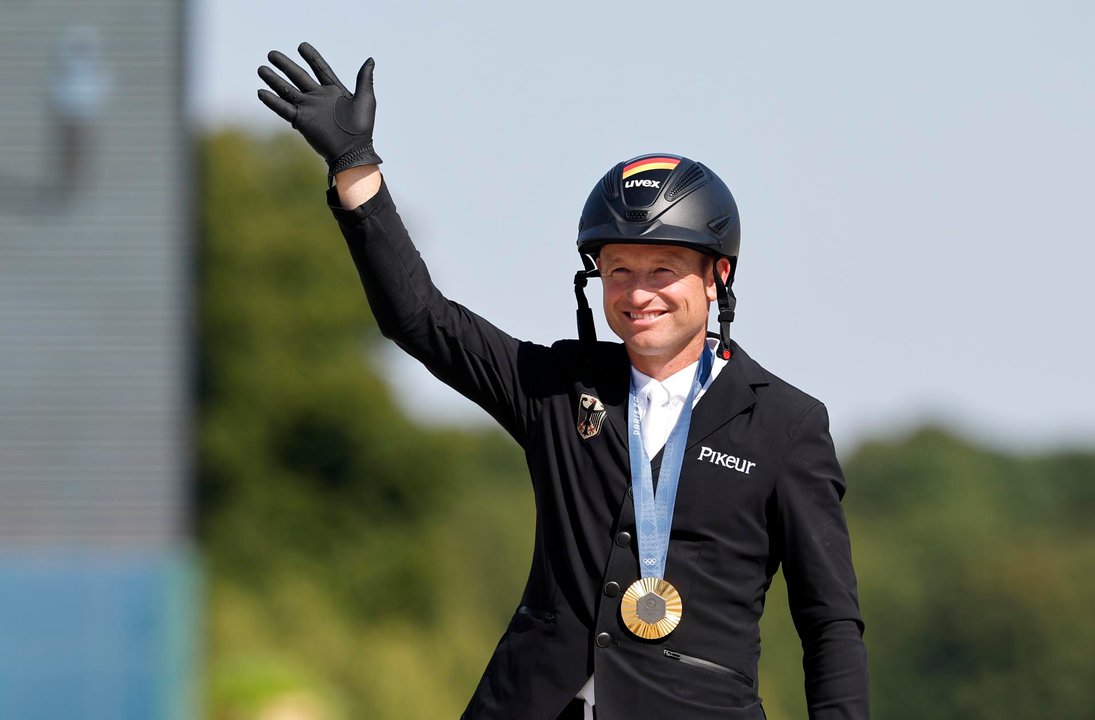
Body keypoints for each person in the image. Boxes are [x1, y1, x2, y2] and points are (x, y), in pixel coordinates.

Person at [257, 43, 869, 720]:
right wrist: (354, 168)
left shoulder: (786, 425)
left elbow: (829, 621)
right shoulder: (557, 387)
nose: (638, 294)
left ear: (716, 275)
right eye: (617, 271)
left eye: (661, 270)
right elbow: (421, 319)